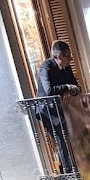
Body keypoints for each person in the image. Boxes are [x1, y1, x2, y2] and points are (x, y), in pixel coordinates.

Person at [35, 41, 80, 172]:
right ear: (59, 57)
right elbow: (49, 90)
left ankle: (74, 169)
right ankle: (68, 172)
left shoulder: (67, 67)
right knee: (61, 138)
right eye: (68, 56)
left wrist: (70, 91)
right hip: (47, 109)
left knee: (71, 137)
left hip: (62, 109)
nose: (70, 59)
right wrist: (67, 87)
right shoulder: (46, 67)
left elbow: (77, 87)